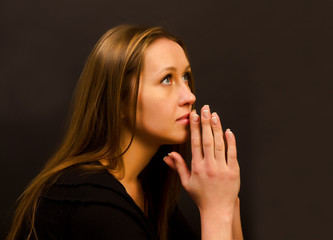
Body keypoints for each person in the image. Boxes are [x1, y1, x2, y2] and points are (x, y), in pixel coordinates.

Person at [6, 25, 243, 240]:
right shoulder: (92, 202)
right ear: (118, 101)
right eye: (167, 79)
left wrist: (228, 200)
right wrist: (216, 210)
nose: (189, 96)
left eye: (185, 77)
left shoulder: (147, 189)